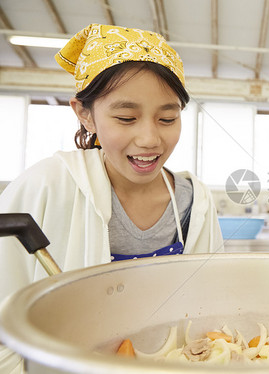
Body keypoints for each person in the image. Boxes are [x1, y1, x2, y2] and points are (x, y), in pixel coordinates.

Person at [0, 24, 223, 373]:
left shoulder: (194, 203)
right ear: (85, 114)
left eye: (167, 118)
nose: (150, 138)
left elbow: (215, 306)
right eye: (126, 118)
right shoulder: (46, 186)